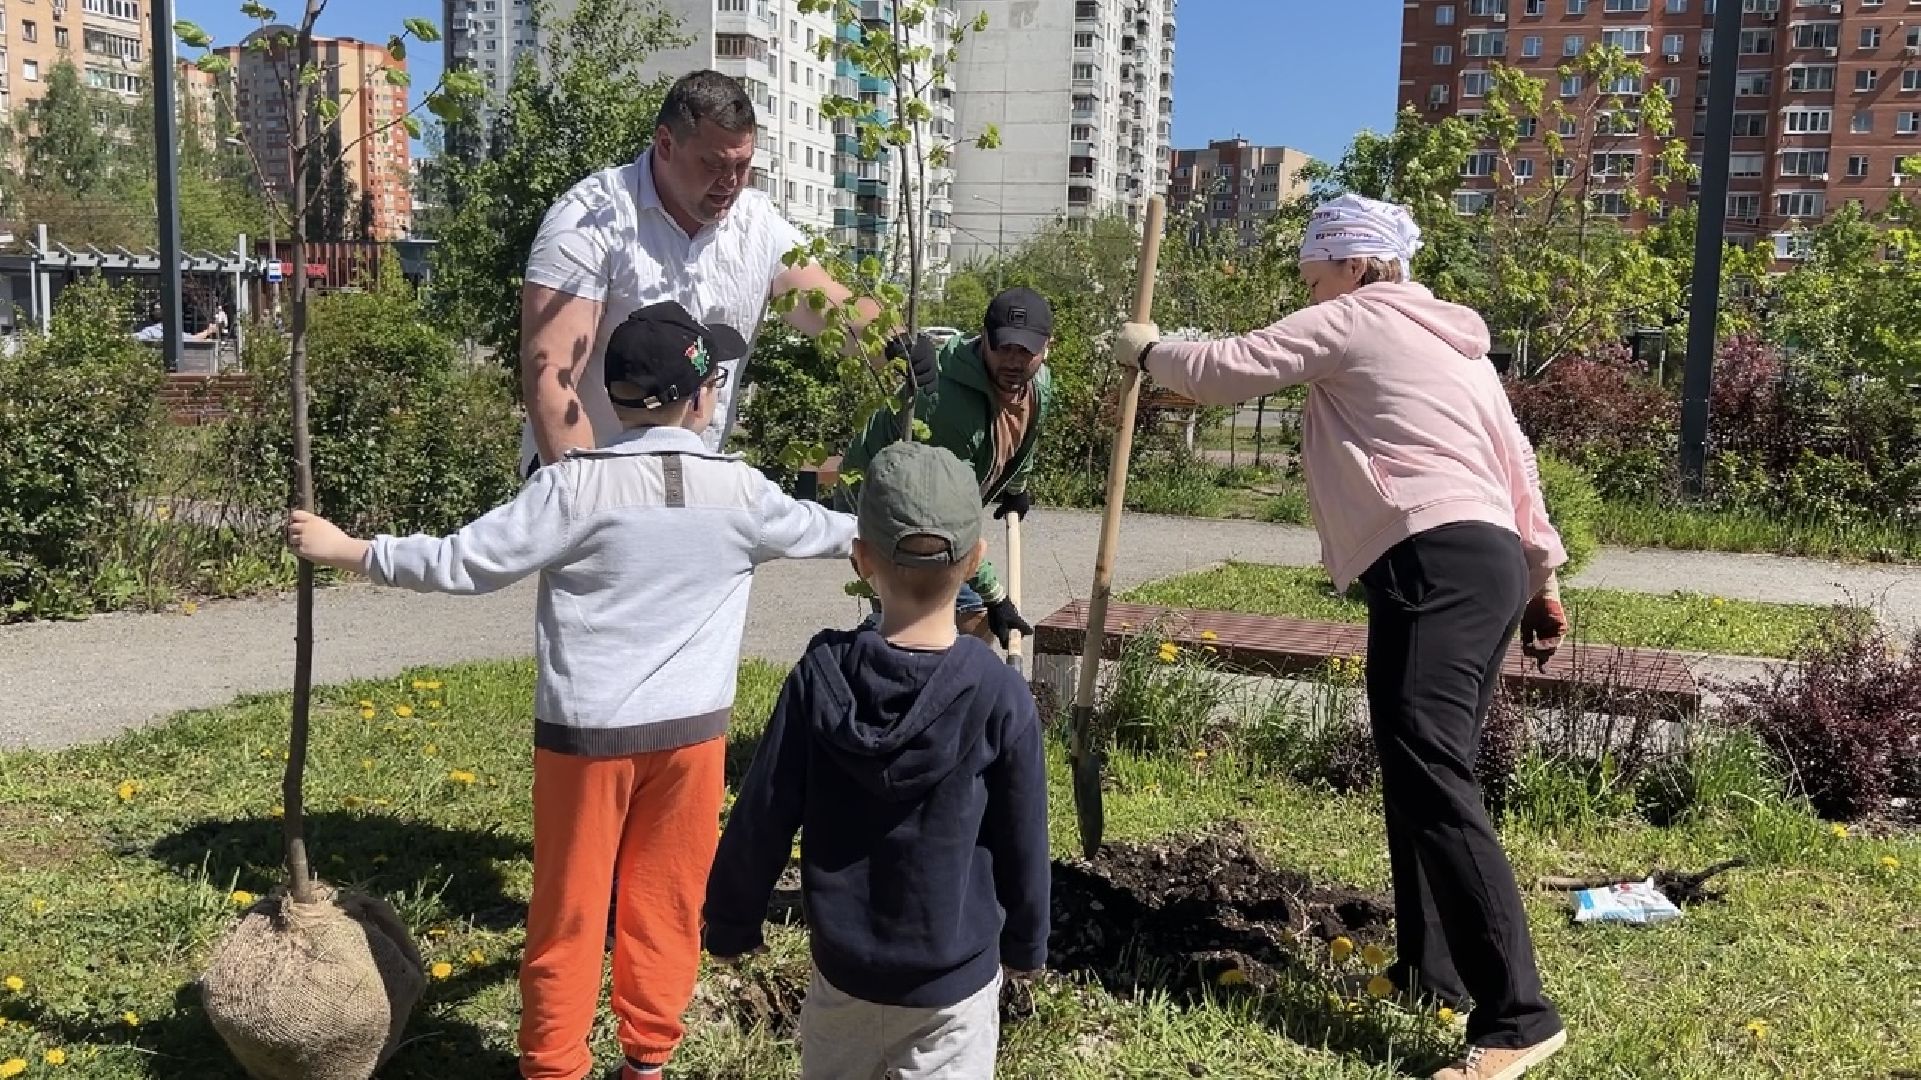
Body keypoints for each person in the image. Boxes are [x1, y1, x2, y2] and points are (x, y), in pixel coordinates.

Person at [286, 301, 858, 1080]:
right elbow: (841, 534)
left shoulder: (574, 490)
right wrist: (924, 523)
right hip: (692, 740)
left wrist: (350, 550)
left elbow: (464, 562)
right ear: (700, 396)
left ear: (613, 399)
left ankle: (554, 1066)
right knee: (666, 903)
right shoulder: (743, 495)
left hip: (587, 741)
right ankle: (648, 1059)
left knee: (570, 910)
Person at [1112, 194, 1571, 1080]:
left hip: (1431, 559)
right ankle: (1428, 972)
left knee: (1432, 774)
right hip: (1486, 562)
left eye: (1311, 267)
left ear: (1356, 264)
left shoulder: (1358, 317)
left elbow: (1228, 367)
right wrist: (1542, 580)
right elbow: (1518, 465)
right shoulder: (1454, 345)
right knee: (1421, 767)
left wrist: (1148, 350)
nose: (1304, 283)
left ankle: (1516, 1017)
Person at [703, 440, 1051, 1080]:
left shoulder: (819, 677)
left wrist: (731, 920)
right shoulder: (1000, 692)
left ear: (861, 559)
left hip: (845, 974)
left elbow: (764, 812)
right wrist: (1027, 943)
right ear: (976, 560)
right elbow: (1023, 834)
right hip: (954, 982)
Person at [520, 69, 932, 475]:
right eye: (714, 165)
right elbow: (551, 373)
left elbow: (826, 305)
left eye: (743, 165)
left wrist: (895, 343)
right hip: (590, 477)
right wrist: (586, 499)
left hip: (692, 484)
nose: (730, 183)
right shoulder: (590, 219)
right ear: (665, 144)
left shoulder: (757, 224)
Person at [838, 287, 1055, 647]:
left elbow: (1023, 437)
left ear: (1047, 348)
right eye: (1004, 348)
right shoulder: (947, 404)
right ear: (984, 339)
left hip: (931, 503)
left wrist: (1016, 489)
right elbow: (943, 516)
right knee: (926, 617)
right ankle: (865, 663)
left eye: (1026, 351)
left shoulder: (1039, 387)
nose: (1014, 361)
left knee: (958, 630)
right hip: (881, 500)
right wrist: (996, 596)